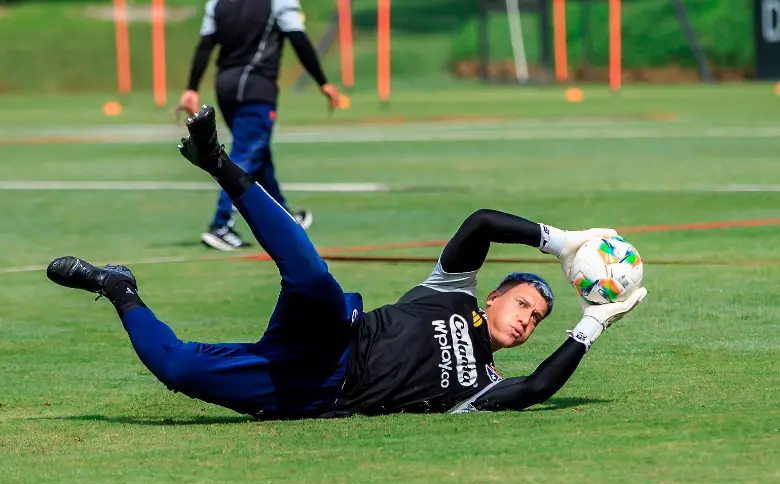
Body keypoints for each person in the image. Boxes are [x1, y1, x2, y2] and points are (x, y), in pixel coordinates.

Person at [46, 106, 648, 419]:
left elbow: (538, 388)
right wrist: (564, 241)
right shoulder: (452, 292)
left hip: (318, 392)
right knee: (310, 276)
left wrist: (591, 323)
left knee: (179, 370)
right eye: (524, 304)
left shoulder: (480, 387)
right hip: (337, 330)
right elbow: (483, 222)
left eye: (537, 320)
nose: (526, 321)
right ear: (493, 295)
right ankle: (218, 163)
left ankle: (118, 286)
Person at [178, 0, 341, 251]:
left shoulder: (217, 3)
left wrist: (191, 88)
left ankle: (284, 217)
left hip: (226, 89)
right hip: (256, 88)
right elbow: (298, 38)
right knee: (247, 153)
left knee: (259, 154)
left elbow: (205, 46)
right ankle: (220, 225)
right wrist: (322, 81)